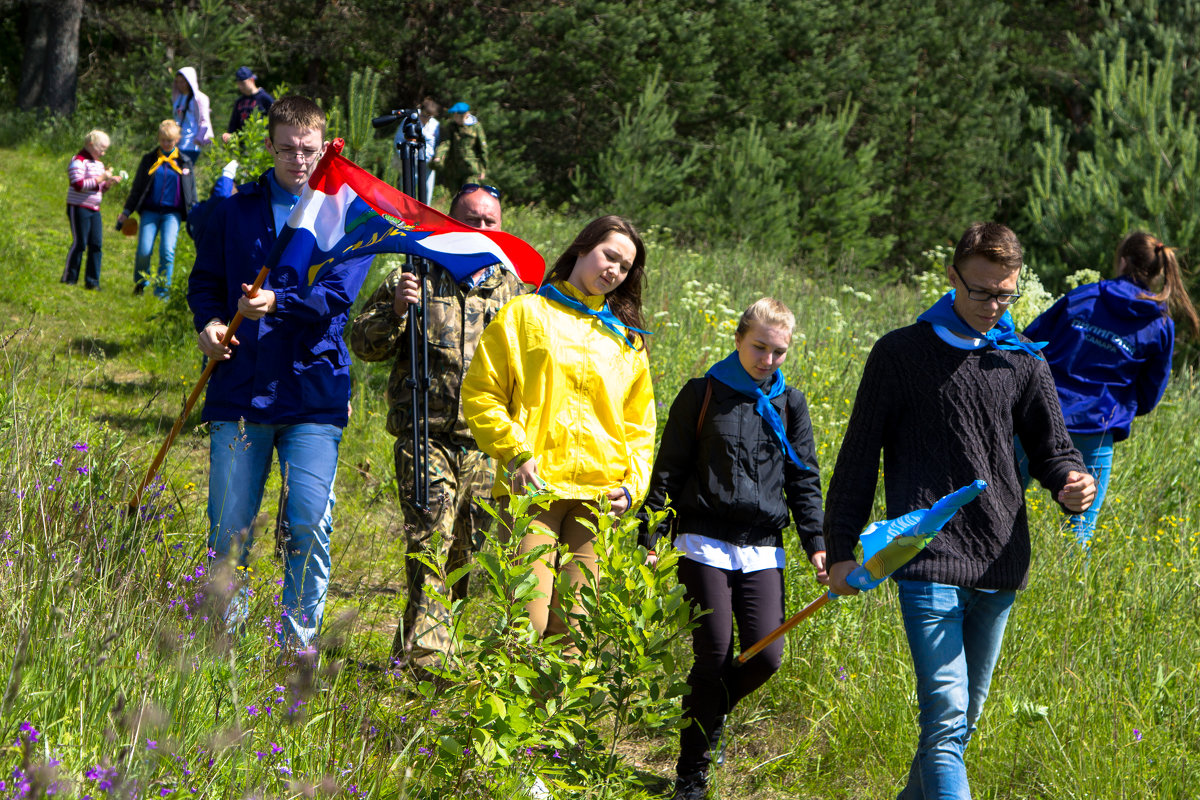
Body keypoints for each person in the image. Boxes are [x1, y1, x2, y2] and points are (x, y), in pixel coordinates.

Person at [824, 222, 1096, 800]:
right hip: (927, 559)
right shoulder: (899, 353)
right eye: (981, 292)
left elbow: (1056, 450)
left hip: (1000, 561)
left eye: (1006, 295)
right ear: (951, 278)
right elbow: (856, 459)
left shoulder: (1021, 359)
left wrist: (1074, 482)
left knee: (959, 728)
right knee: (946, 726)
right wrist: (841, 550)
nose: (994, 307)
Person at [187, 95, 373, 653]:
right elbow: (205, 282)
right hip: (239, 386)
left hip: (312, 390)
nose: (299, 160)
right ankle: (224, 642)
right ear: (269, 145)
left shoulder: (349, 212)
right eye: (288, 148)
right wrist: (211, 325)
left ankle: (299, 646)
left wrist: (280, 302)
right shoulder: (234, 210)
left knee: (308, 523)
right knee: (229, 527)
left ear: (325, 149)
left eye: (309, 151)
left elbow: (339, 294)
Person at [639, 297, 826, 800]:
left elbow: (803, 478)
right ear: (739, 339)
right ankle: (691, 775)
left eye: (779, 352)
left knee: (766, 657)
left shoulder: (791, 404)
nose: (768, 360)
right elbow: (669, 468)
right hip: (701, 541)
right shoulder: (702, 393)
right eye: (759, 347)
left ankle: (707, 716)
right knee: (715, 653)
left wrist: (817, 543)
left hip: (763, 547)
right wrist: (651, 536)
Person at [349, 183, 521, 669]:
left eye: (490, 220)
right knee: (429, 542)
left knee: (466, 555)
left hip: (487, 444)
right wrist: (398, 309)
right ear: (450, 220)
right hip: (425, 434)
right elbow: (364, 344)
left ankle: (417, 648)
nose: (481, 227)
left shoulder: (514, 290)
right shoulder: (415, 273)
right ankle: (431, 664)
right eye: (471, 217)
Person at [462, 215, 656, 642]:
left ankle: (550, 712)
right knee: (524, 626)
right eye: (609, 256)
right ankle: (502, 710)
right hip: (535, 489)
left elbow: (639, 427)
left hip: (599, 497)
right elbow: (481, 393)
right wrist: (517, 452)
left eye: (624, 268)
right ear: (584, 246)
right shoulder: (524, 314)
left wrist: (632, 487)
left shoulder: (627, 340)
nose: (614, 271)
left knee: (573, 631)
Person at [1020, 231, 1198, 548]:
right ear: (1159, 271)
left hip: (1039, 417)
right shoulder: (1159, 324)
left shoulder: (1084, 296)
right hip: (1097, 429)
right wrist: (1118, 405)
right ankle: (1071, 596)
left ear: (1123, 260)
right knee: (1079, 530)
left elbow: (1030, 342)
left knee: (997, 502)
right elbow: (1149, 394)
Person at [116, 120, 197, 298]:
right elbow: (137, 188)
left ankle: (162, 292)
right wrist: (126, 212)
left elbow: (191, 192)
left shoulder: (184, 162)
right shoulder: (149, 160)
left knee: (167, 252)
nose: (166, 144)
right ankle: (140, 284)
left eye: (170, 140)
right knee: (144, 251)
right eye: (162, 140)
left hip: (172, 214)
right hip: (150, 212)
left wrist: (195, 215)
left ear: (177, 140)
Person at [62, 129, 121, 290]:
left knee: (96, 244)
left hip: (95, 209)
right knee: (80, 243)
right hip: (78, 207)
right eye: (101, 148)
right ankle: (69, 278)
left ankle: (92, 282)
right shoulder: (78, 161)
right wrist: (102, 178)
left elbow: (98, 188)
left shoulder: (99, 164)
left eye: (105, 149)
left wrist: (108, 183)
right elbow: (78, 184)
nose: (103, 152)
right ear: (90, 145)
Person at [393, 97, 440, 204]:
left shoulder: (435, 125)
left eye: (429, 117)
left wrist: (430, 157)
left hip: (427, 164)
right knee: (407, 191)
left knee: (426, 192)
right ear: (420, 110)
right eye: (424, 115)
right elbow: (398, 141)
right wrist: (407, 157)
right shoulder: (409, 120)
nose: (426, 119)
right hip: (409, 163)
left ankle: (424, 217)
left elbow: (435, 144)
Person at [433, 101, 487, 192]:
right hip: (454, 170)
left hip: (471, 168)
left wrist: (483, 169)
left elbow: (483, 149)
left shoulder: (475, 127)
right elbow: (446, 143)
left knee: (470, 194)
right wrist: (438, 156)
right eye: (454, 115)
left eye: (457, 115)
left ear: (465, 115)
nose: (455, 117)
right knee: (456, 198)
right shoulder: (451, 126)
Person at [222, 66, 274, 143]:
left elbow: (275, 119)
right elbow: (234, 123)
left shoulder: (264, 98)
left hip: (261, 142)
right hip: (244, 143)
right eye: (238, 84)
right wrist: (229, 135)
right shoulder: (239, 102)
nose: (240, 87)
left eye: (243, 83)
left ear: (252, 80)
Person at [172, 66, 213, 162]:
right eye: (178, 82)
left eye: (182, 82)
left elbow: (204, 120)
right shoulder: (178, 97)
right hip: (178, 141)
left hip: (191, 143)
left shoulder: (200, 98)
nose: (180, 85)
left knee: (186, 170)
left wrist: (199, 138)